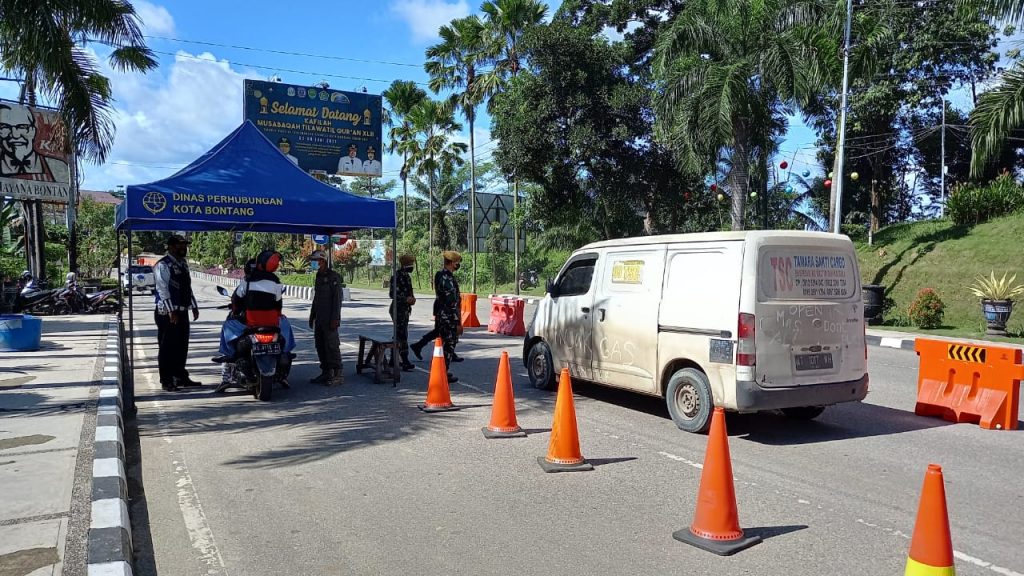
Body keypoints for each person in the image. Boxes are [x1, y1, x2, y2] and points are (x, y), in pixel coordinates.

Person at [213, 252, 296, 391]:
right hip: (272, 324)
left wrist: (235, 310)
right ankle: (286, 354)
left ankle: (227, 360)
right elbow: (278, 304)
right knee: (286, 324)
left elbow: (237, 300)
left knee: (227, 326)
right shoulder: (276, 281)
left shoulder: (248, 280)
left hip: (251, 323)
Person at [154, 235, 200, 391]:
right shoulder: (163, 265)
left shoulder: (183, 264)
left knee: (181, 346)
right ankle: (166, 380)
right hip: (167, 313)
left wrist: (193, 306)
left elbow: (187, 287)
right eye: (181, 245)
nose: (184, 248)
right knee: (167, 347)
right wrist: (171, 310)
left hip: (182, 311)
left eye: (185, 245)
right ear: (171, 247)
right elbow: (162, 289)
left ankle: (180, 376)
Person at [415, 251, 462, 382]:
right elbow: (452, 303)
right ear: (452, 263)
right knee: (449, 344)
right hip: (448, 317)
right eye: (457, 262)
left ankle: (442, 371)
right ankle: (442, 373)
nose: (458, 265)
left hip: (444, 315)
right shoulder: (446, 279)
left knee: (446, 343)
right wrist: (458, 323)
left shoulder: (442, 276)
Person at [0, 103, 70, 182]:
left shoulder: (59, 167)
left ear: (33, 131)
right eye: (5, 127)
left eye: (22, 127)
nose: (15, 135)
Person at [309, 250, 344, 385]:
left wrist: (335, 319)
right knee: (320, 345)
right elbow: (316, 298)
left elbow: (337, 300)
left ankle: (337, 373)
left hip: (330, 318)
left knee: (332, 346)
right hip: (320, 317)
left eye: (315, 260)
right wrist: (312, 316)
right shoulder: (318, 276)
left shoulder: (333, 277)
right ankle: (326, 371)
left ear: (322, 261)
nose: (313, 263)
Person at [389, 254, 417, 371]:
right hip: (398, 309)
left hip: (405, 310)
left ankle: (392, 359)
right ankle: (404, 360)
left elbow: (409, 291)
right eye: (411, 264)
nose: (413, 266)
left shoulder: (406, 276)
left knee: (399, 334)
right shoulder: (397, 276)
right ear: (406, 264)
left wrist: (412, 299)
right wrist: (405, 299)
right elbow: (392, 294)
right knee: (402, 335)